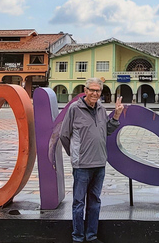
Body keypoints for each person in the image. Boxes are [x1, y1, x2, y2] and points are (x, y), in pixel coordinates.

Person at [60, 78, 124, 243]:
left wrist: (116, 114)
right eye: (92, 90)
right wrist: (75, 154)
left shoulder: (102, 109)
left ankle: (91, 236)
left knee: (95, 201)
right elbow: (64, 135)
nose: (95, 93)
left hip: (100, 164)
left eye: (98, 91)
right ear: (85, 90)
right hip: (82, 165)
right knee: (78, 203)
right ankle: (78, 237)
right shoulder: (74, 109)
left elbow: (107, 131)